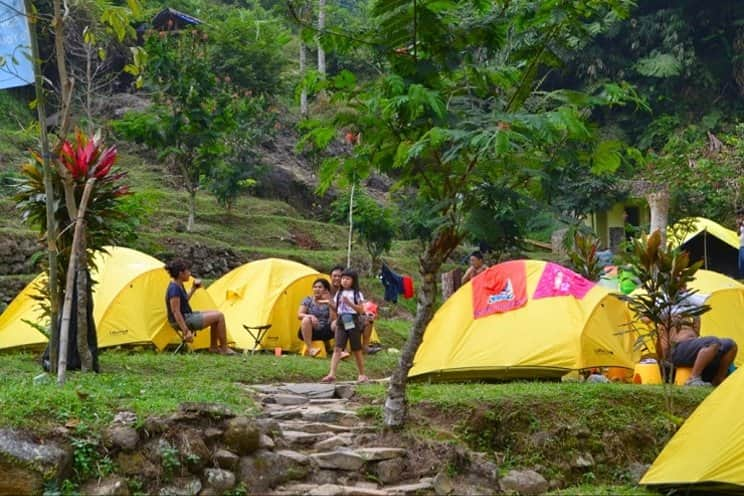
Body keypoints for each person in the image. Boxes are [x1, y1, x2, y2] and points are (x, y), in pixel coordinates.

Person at [164, 258, 234, 355]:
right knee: (219, 316)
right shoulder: (174, 289)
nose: (190, 273)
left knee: (215, 314)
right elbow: (176, 312)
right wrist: (186, 331)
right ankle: (224, 349)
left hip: (187, 316)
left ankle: (214, 347)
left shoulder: (178, 284)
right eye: (188, 271)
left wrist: (193, 289)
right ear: (181, 273)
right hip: (182, 320)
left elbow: (184, 301)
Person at [322, 269, 369, 383]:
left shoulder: (357, 293)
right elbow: (337, 309)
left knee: (356, 349)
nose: (344, 281)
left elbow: (361, 310)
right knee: (338, 347)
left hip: (351, 319)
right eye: (343, 279)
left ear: (353, 281)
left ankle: (362, 374)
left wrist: (349, 303)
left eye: (347, 279)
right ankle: (332, 374)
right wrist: (329, 303)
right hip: (341, 320)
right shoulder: (339, 293)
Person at [663, 315, 737, 386]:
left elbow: (697, 334)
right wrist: (666, 358)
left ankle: (718, 379)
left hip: (694, 347)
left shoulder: (691, 322)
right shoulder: (668, 318)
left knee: (730, 344)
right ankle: (693, 378)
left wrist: (696, 319)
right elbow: (663, 343)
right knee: (712, 342)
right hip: (678, 350)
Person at [297, 278, 335, 357]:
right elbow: (299, 315)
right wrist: (310, 316)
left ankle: (339, 350)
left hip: (325, 331)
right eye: (315, 287)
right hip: (310, 330)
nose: (317, 289)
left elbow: (333, 319)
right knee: (306, 319)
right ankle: (311, 349)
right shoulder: (308, 300)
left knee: (338, 322)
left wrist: (329, 302)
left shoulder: (330, 301)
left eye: (320, 287)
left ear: (325, 290)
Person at [738, 213, 744, 279]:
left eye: (741, 216)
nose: (740, 217)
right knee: (741, 263)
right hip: (741, 245)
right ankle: (742, 278)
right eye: (739, 217)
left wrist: (741, 223)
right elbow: (738, 234)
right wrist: (739, 226)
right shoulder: (741, 225)